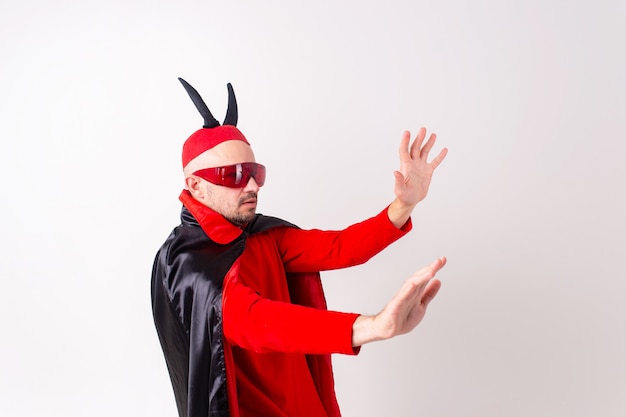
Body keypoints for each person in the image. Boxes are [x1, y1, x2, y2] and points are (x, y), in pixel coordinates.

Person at [151, 78, 448, 417]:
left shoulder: (262, 235)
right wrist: (371, 327)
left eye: (254, 172)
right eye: (231, 175)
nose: (250, 185)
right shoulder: (189, 265)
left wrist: (403, 204)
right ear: (196, 186)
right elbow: (256, 322)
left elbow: (340, 247)